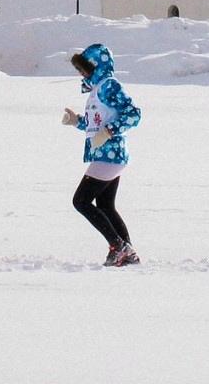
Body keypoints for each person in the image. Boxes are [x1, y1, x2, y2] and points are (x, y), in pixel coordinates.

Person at [62, 42, 142, 266]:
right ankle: (129, 253)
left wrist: (110, 132)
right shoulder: (97, 91)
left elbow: (133, 114)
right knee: (105, 206)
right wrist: (76, 121)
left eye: (84, 69)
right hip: (105, 155)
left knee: (81, 201)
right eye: (80, 70)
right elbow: (95, 125)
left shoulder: (109, 85)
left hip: (110, 154)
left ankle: (118, 246)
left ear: (96, 66)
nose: (82, 74)